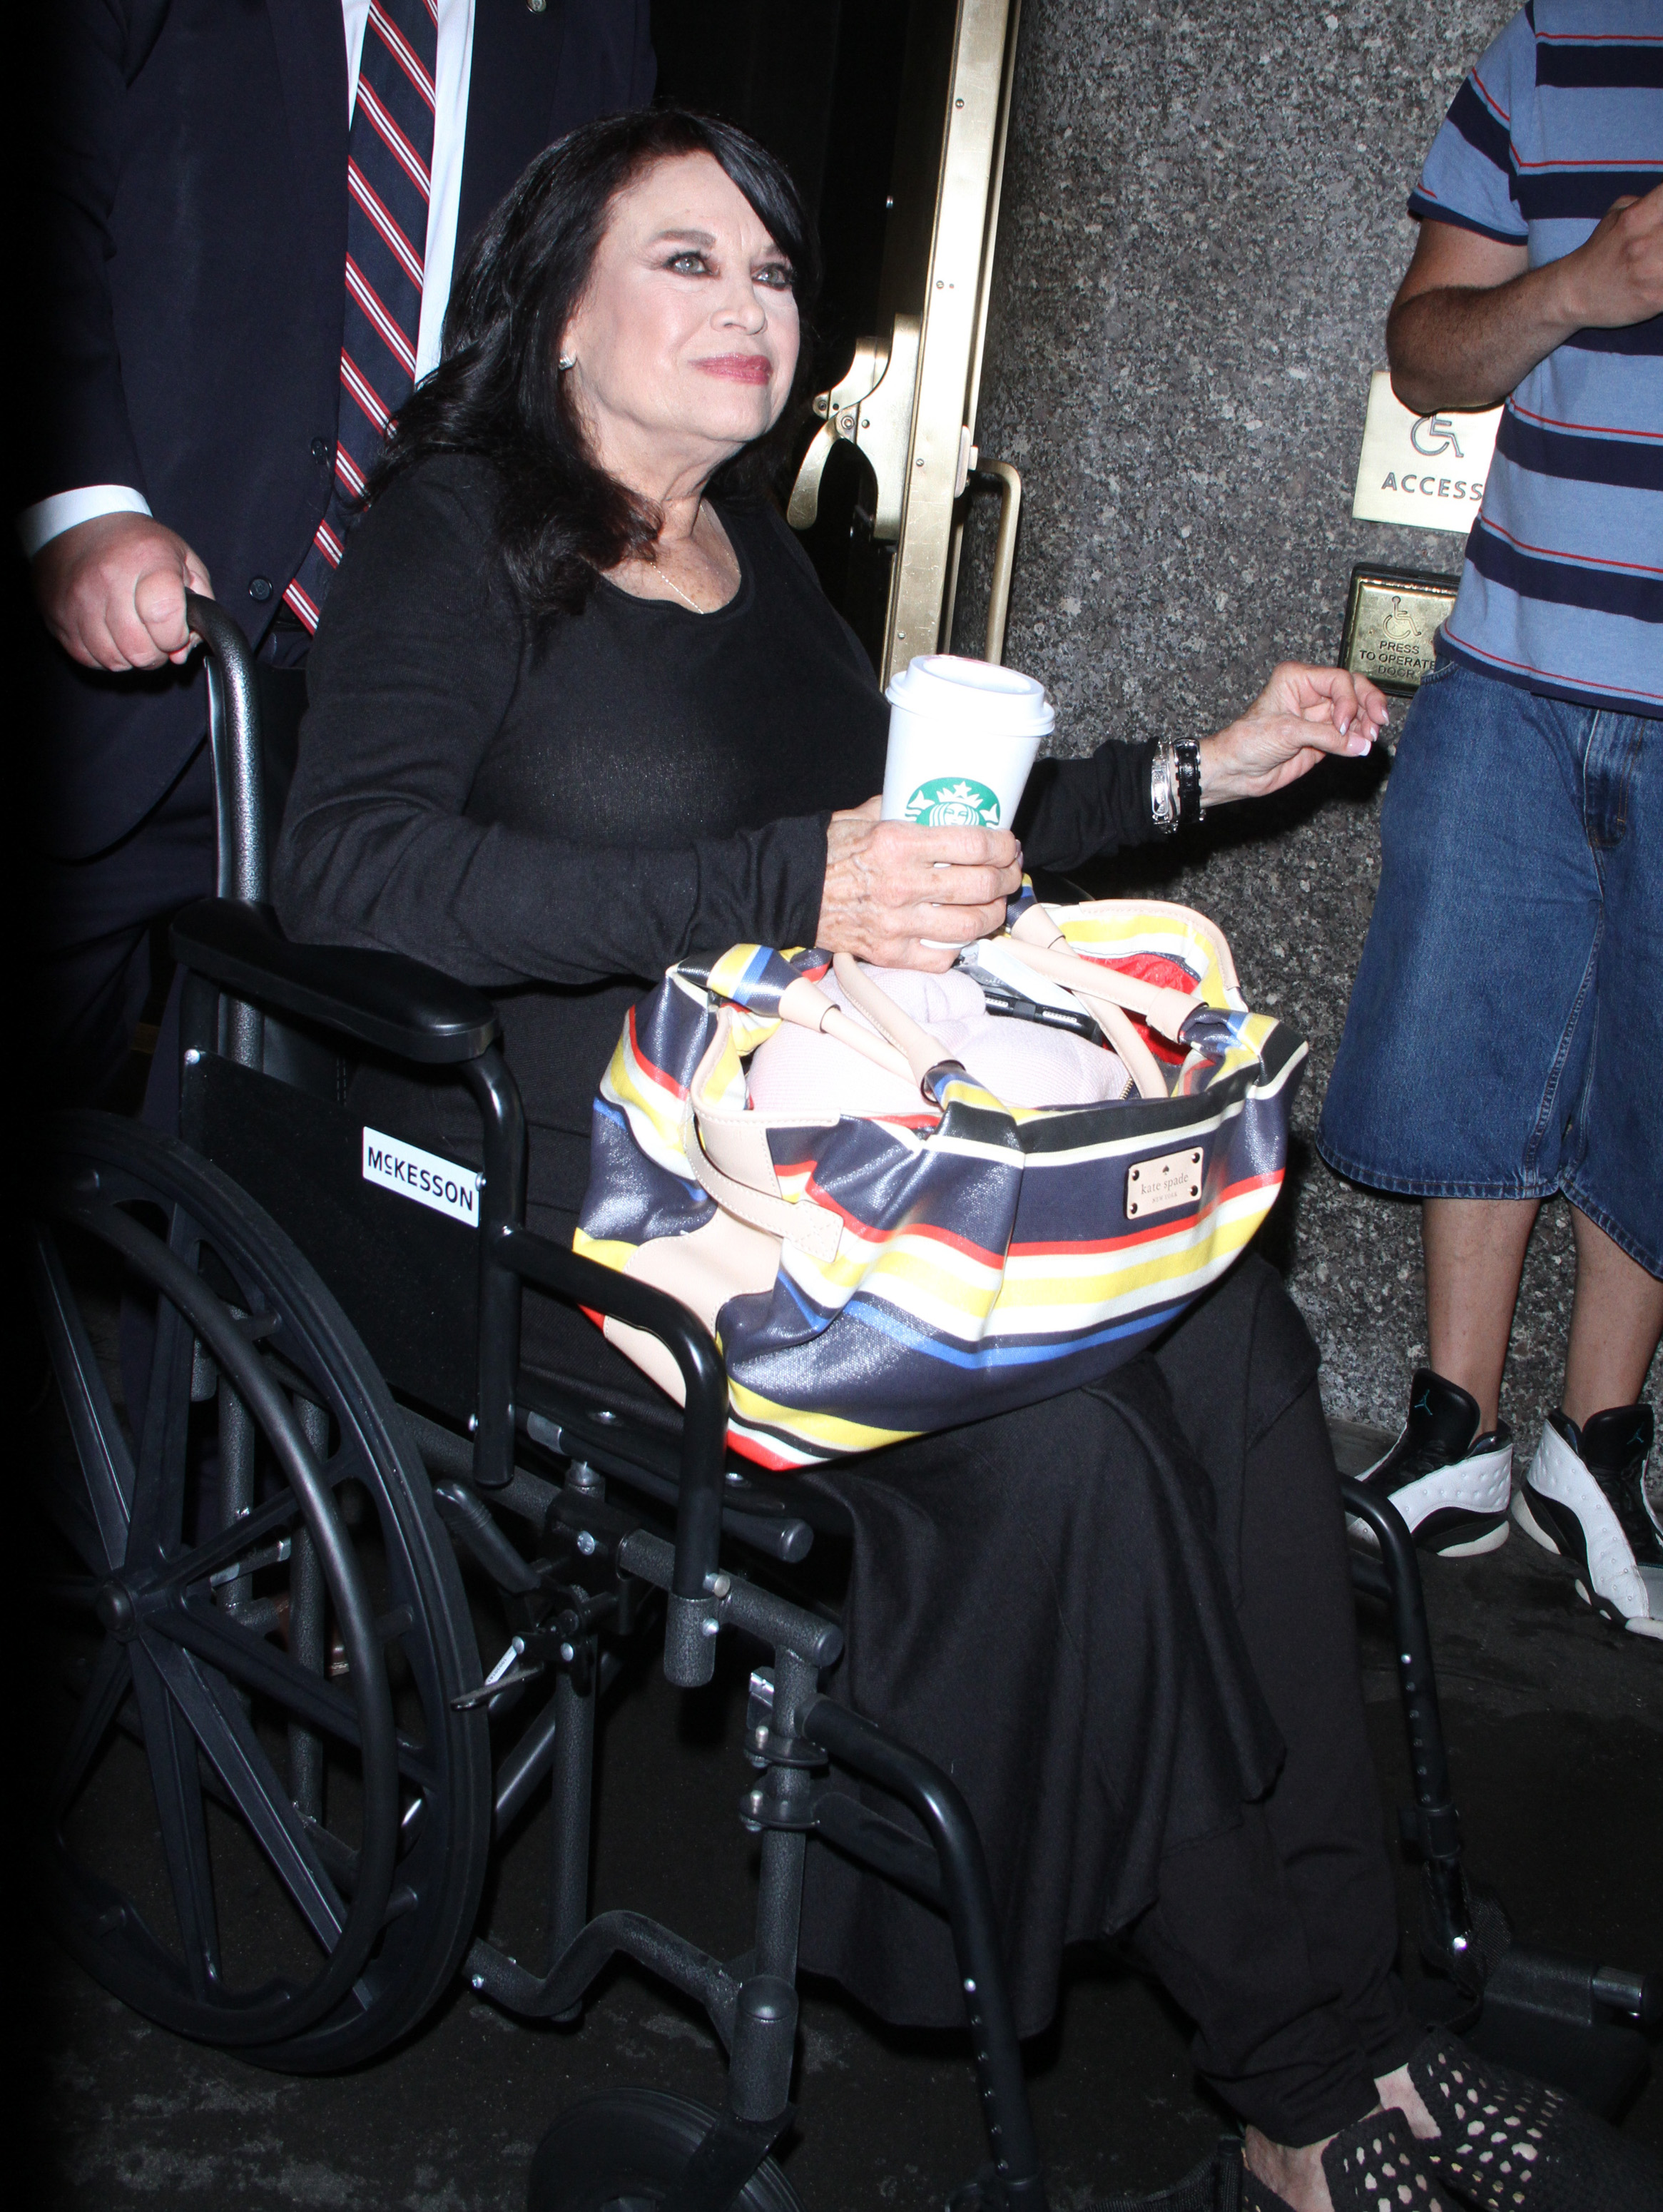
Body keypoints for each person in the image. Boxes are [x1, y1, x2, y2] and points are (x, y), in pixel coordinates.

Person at [272, 110, 1659, 2212]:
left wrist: (1206, 764)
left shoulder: (763, 572)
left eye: (769, 270)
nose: (748, 306)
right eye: (684, 263)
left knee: (1228, 1349)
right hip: (597, 1228)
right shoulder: (458, 535)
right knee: (1066, 1461)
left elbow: (926, 852)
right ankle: (1299, 2097)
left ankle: (1361, 2027)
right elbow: (350, 878)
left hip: (842, 1169)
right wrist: (775, 879)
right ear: (557, 306)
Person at [21, 0, 655, 1112]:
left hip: (394, 722)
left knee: (267, 1186)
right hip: (120, 662)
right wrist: (78, 507)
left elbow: (599, 316)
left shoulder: (593, 24)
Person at [1318, 4, 1662, 1635]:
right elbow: (1421, 351)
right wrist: (1579, 287)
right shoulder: (1552, 48)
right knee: (1465, 1033)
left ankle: (1595, 1442)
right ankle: (1453, 1427)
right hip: (1512, 664)